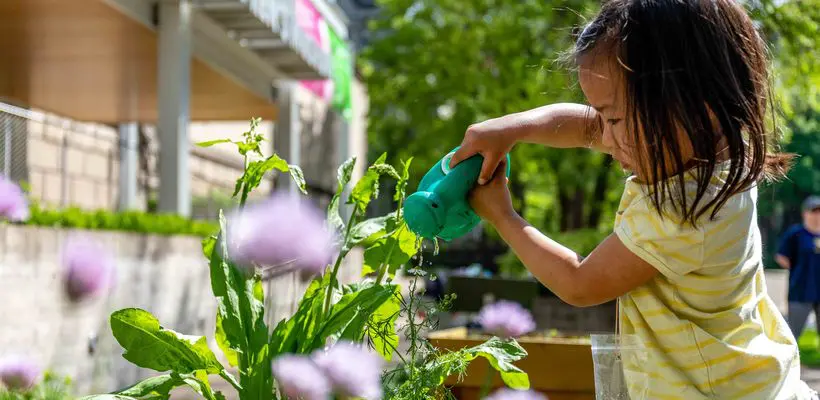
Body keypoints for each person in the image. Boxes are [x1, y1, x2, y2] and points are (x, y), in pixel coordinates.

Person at [449, 0, 815, 398]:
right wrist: (510, 129)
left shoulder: (686, 208)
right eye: (602, 116)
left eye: (615, 119)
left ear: (690, 101)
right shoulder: (710, 157)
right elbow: (587, 128)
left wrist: (503, 216)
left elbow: (579, 283)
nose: (604, 136)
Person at [776, 196, 820, 341]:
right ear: (805, 213)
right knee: (792, 335)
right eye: (813, 211)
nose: (816, 215)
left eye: (819, 212)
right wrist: (798, 269)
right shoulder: (796, 234)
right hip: (800, 292)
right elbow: (781, 256)